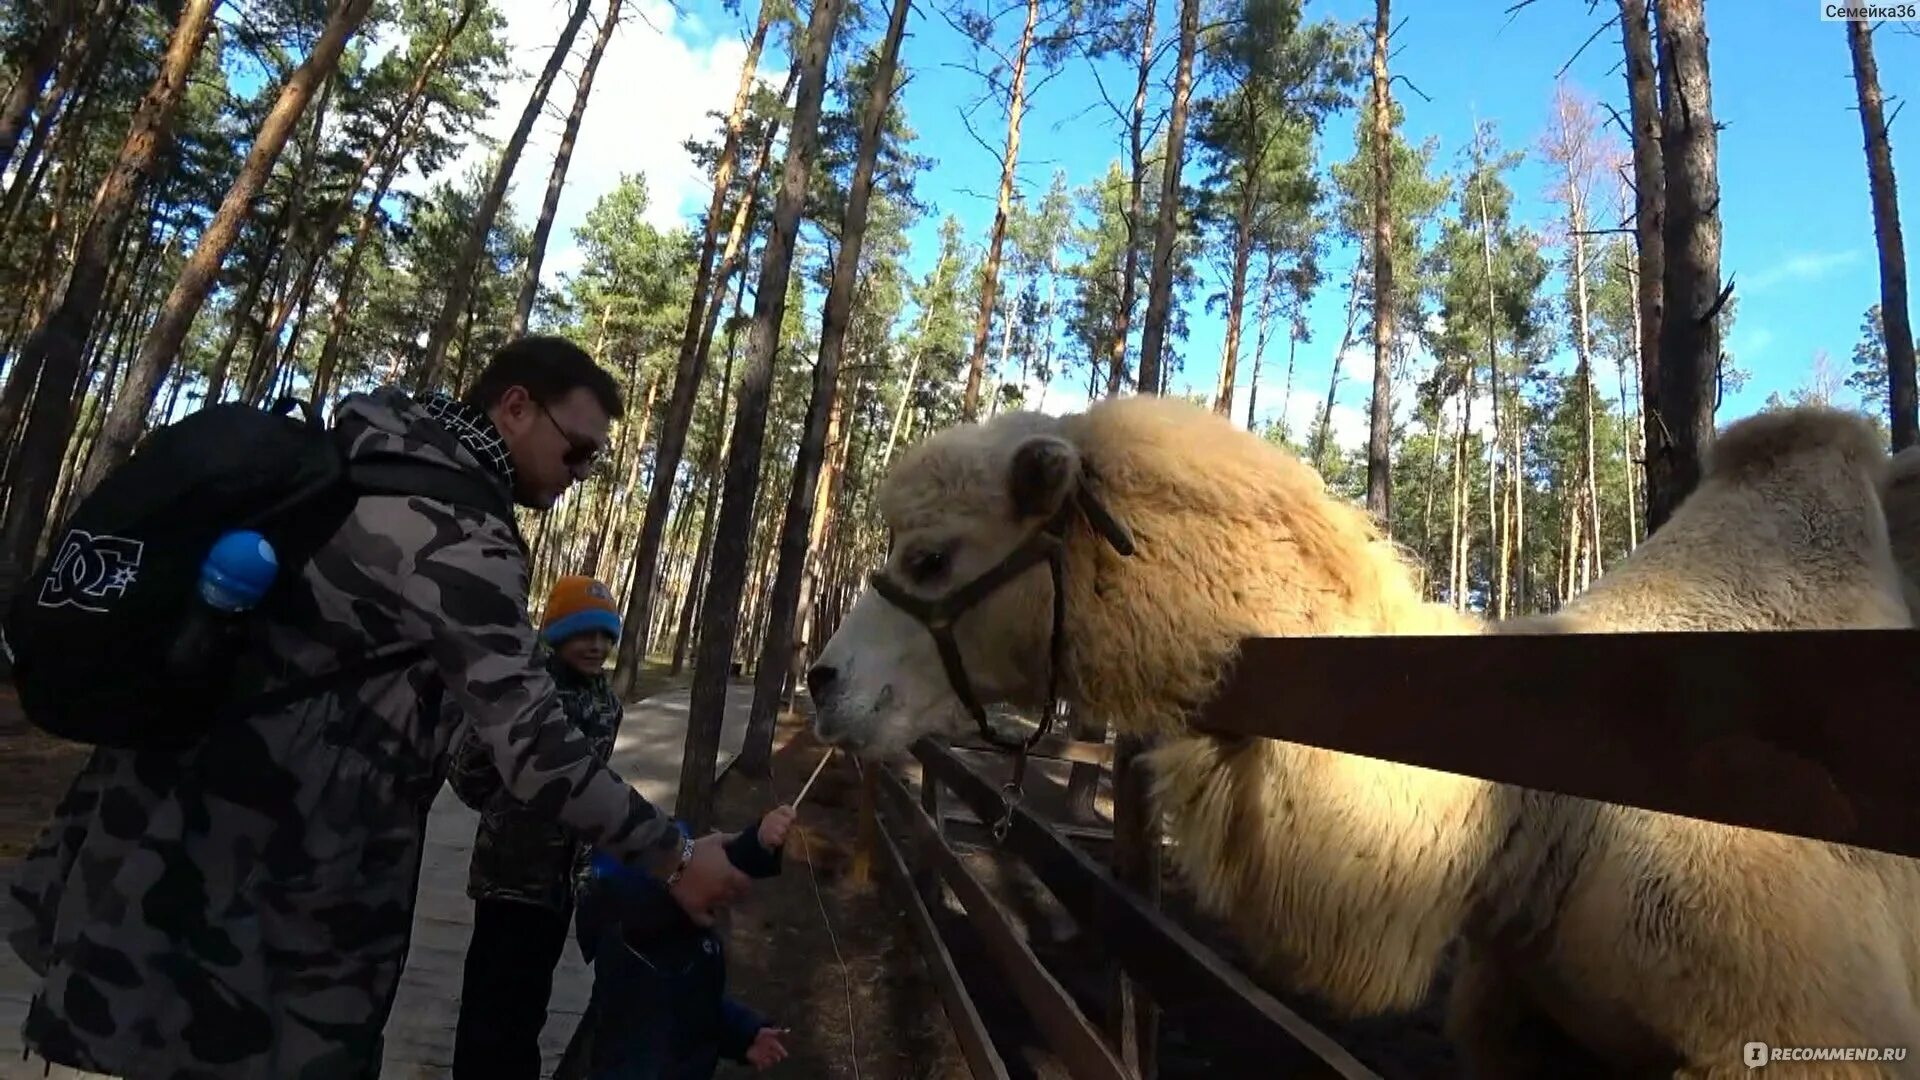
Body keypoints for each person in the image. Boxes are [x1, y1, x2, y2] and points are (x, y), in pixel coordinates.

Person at [5, 336, 750, 1079]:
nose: (580, 475)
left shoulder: (370, 452)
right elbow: (537, 750)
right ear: (516, 406)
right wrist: (675, 854)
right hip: (273, 889)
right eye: (576, 451)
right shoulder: (457, 530)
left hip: (158, 832)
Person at [447, 573, 627, 1078]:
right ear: (557, 633)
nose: (595, 646)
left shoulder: (608, 707)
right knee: (488, 1006)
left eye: (605, 635)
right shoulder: (524, 689)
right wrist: (510, 811)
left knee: (530, 1006)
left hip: (558, 885)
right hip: (507, 878)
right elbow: (468, 775)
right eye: (583, 632)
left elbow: (594, 790)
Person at [566, 806, 796, 1079]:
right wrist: (753, 843)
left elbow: (698, 1009)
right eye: (677, 866)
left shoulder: (688, 942)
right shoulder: (632, 947)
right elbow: (645, 894)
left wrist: (745, 1034)